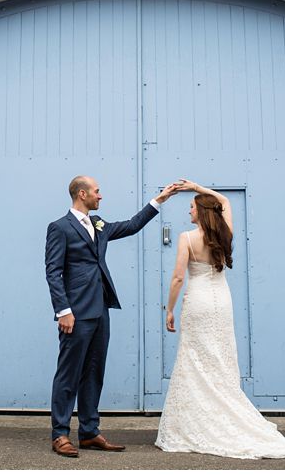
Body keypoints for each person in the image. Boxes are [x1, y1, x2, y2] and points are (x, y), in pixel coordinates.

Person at [155, 179, 285, 459]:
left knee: (194, 359)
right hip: (221, 301)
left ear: (200, 212)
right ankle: (223, 413)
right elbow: (225, 202)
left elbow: (177, 278)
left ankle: (196, 423)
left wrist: (169, 309)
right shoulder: (226, 234)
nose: (189, 212)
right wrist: (198, 188)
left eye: (191, 208)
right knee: (219, 358)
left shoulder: (187, 238)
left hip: (197, 302)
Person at [45, 175, 180, 458]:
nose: (100, 195)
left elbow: (131, 226)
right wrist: (63, 311)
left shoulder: (99, 224)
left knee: (94, 372)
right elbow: (53, 272)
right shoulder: (59, 228)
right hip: (75, 313)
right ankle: (60, 434)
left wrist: (160, 200)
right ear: (82, 194)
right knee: (68, 374)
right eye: (97, 191)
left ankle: (90, 432)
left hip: (100, 309)